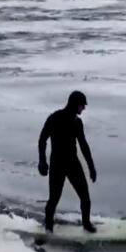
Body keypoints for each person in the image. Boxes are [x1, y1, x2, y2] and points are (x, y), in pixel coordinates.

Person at [38, 91, 97, 233]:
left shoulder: (77, 122)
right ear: (76, 104)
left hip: (72, 163)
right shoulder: (54, 118)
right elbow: (42, 139)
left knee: (85, 197)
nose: (84, 108)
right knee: (54, 198)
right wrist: (42, 161)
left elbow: (83, 145)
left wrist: (91, 167)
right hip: (57, 164)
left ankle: (86, 224)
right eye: (82, 105)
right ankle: (48, 226)